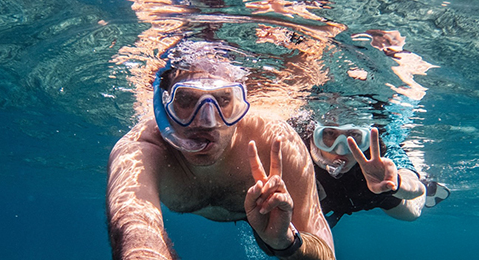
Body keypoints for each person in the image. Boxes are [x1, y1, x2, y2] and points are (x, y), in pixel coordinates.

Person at [106, 46, 335, 259]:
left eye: (223, 100)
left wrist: (286, 242)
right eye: (186, 99)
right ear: (163, 105)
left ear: (240, 104)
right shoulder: (139, 151)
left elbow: (325, 251)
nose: (207, 122)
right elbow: (133, 229)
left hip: (270, 221)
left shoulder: (275, 141)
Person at [300, 118, 450, 227]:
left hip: (374, 195)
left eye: (354, 136)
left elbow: (414, 186)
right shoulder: (298, 147)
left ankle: (425, 179)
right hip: (329, 201)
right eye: (329, 134)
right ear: (314, 135)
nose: (341, 150)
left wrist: (395, 183)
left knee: (412, 215)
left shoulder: (380, 148)